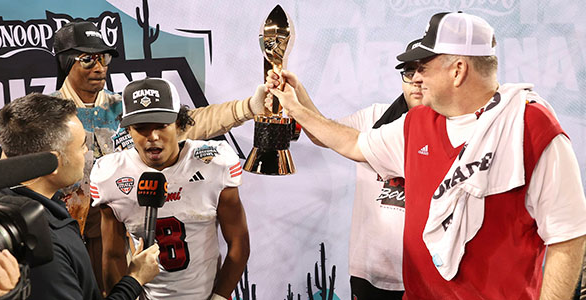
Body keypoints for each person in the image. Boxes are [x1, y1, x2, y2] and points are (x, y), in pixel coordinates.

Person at [266, 12, 586, 300]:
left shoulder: (533, 130)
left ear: (458, 70)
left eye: (423, 67)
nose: (415, 78)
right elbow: (352, 143)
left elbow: (568, 239)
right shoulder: (416, 122)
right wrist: (296, 106)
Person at [52, 21, 265, 293]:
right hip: (64, 235)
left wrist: (247, 107)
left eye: (103, 57)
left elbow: (194, 121)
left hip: (116, 234)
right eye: (87, 59)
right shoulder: (48, 117)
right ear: (65, 62)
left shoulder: (127, 108)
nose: (99, 66)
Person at [277, 39, 422, 299]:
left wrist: (296, 107)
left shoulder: (453, 129)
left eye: (424, 70)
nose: (417, 81)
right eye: (409, 72)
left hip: (424, 272)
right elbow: (324, 133)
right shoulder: (376, 116)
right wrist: (298, 94)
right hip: (369, 268)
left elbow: (351, 142)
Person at [90, 78, 250, 300]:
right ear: (128, 130)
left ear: (178, 123)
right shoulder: (111, 175)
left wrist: (220, 297)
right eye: (141, 128)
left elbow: (238, 242)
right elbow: (114, 255)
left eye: (161, 125)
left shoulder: (214, 162)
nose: (152, 137)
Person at [0, 93, 161, 300]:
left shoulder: (3, 207)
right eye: (82, 145)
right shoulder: (42, 245)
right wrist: (135, 279)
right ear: (51, 162)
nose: (86, 153)